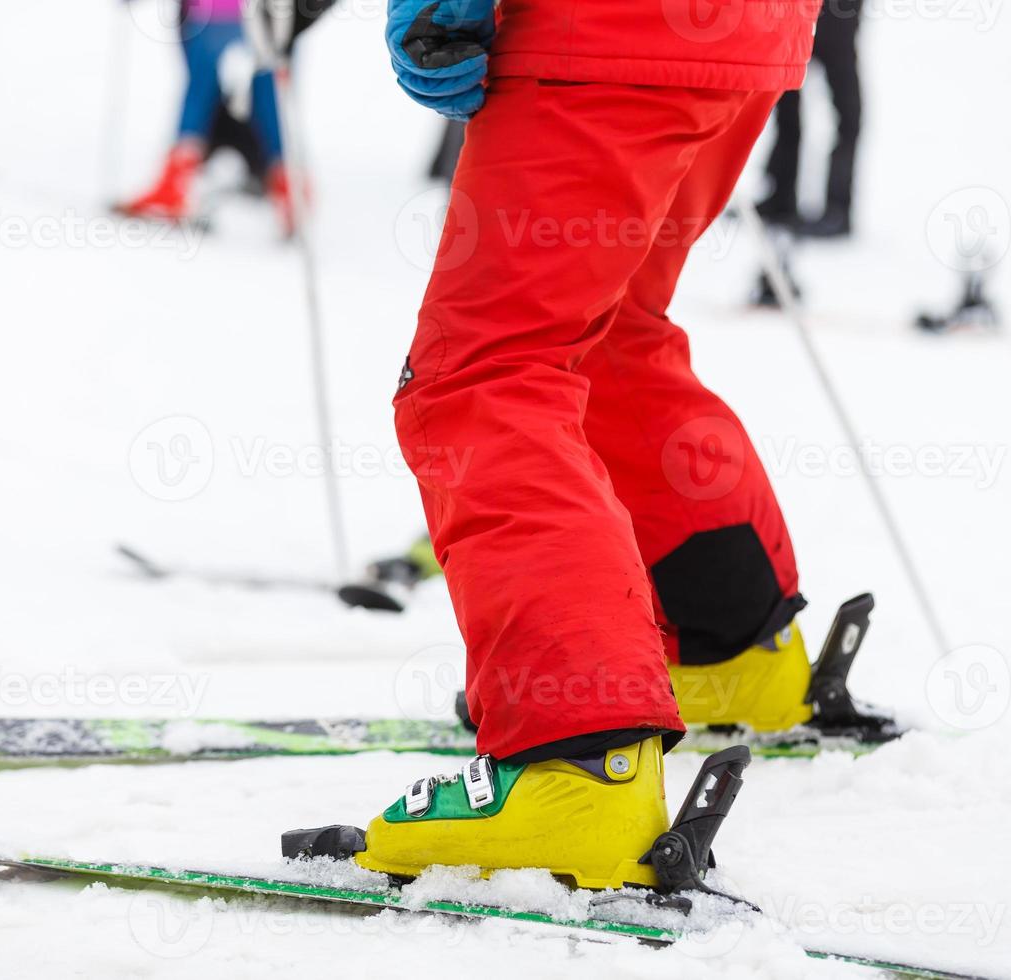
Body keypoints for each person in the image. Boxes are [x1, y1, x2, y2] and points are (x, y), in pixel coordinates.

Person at [344, 0, 822, 889]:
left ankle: (578, 763)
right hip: (748, 34)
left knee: (486, 375)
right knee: (608, 336)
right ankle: (734, 658)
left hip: (598, 38)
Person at [116, 0, 292, 230]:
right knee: (267, 92)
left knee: (200, 90)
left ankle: (174, 185)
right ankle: (287, 189)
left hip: (216, 11)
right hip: (267, 13)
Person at [758, 0, 865, 238]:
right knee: (785, 103)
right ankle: (781, 196)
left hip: (837, 17)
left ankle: (838, 209)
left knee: (846, 114)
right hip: (794, 17)